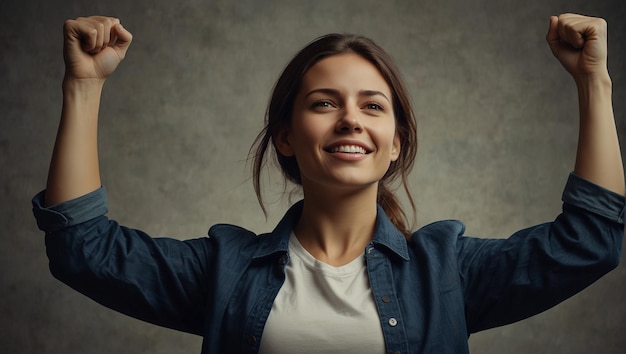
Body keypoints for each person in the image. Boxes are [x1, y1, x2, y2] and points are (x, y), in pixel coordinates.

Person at [32, 13, 624, 354]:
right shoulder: (226, 272)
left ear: (394, 145)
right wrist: (84, 87)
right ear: (286, 136)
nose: (350, 120)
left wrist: (594, 83)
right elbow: (83, 250)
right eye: (324, 103)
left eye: (373, 106)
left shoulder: (445, 271)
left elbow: (590, 241)